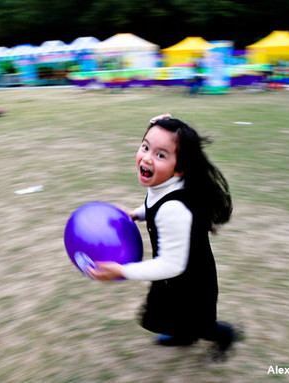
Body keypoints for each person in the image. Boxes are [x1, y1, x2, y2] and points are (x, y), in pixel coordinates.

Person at [89, 113, 241, 358]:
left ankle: (224, 335)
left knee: (198, 321)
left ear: (179, 169)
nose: (147, 157)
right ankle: (183, 336)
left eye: (160, 154)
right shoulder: (163, 185)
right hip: (176, 276)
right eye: (145, 146)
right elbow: (154, 205)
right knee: (171, 313)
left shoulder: (174, 208)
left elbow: (171, 264)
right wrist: (136, 214)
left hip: (191, 279)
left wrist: (122, 270)